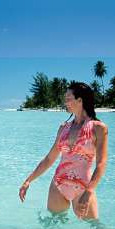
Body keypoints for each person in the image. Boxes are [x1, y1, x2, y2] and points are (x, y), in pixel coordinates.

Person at [19, 82, 108, 219]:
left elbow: (101, 163)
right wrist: (28, 181)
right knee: (53, 227)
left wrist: (89, 191)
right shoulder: (63, 128)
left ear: (80, 100)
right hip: (58, 185)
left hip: (83, 188)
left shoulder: (98, 128)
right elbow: (50, 159)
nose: (65, 102)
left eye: (68, 98)